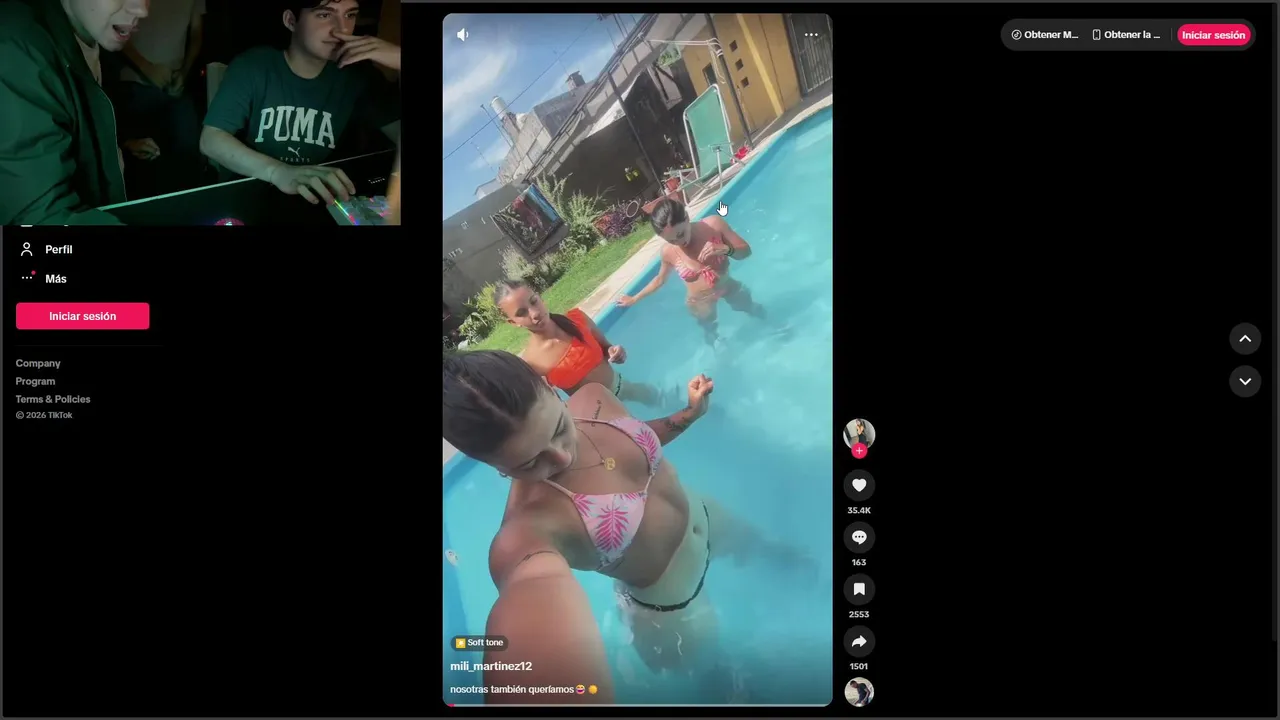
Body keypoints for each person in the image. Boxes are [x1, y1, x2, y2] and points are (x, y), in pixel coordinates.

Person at [442, 350, 814, 703]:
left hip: (706, 515)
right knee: (721, 680)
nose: (562, 456)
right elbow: (532, 594)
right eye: (530, 463)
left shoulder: (594, 399)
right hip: (673, 606)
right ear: (494, 466)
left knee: (784, 559)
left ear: (551, 388)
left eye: (558, 428)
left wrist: (688, 415)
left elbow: (634, 433)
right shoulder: (526, 532)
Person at [199, 0, 401, 207]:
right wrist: (278, 171)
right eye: (324, 15)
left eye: (350, 15)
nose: (342, 30)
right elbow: (211, 139)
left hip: (320, 200)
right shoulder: (253, 66)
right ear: (291, 20)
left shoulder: (360, 76)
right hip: (251, 196)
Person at [0, 0, 151, 225]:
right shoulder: (17, 49)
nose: (143, 10)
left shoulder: (92, 35)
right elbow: (41, 216)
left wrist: (116, 147)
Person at [493, 279, 667, 407]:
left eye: (533, 301)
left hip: (623, 387)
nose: (534, 313)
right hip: (603, 418)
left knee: (664, 402)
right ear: (513, 322)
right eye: (522, 313)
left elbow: (606, 347)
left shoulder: (577, 320)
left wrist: (615, 352)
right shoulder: (533, 363)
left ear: (540, 298)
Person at [617, 198, 767, 345]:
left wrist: (726, 249)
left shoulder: (714, 226)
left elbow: (746, 252)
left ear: (687, 218)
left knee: (754, 309)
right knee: (711, 332)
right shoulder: (668, 252)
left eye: (680, 234)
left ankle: (774, 329)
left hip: (727, 285)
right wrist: (634, 299)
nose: (679, 242)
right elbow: (660, 280)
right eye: (671, 240)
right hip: (700, 301)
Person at [110, 0, 206, 198]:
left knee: (188, 160)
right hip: (133, 84)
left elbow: (196, 33)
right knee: (141, 166)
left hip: (174, 86)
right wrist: (146, 68)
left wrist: (185, 72)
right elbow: (113, 27)